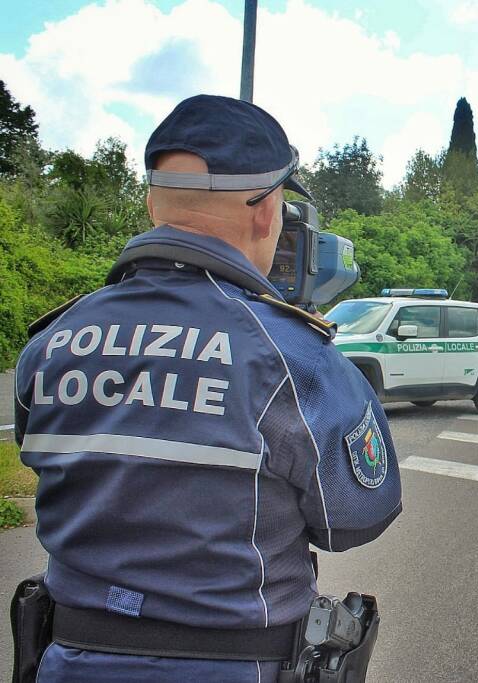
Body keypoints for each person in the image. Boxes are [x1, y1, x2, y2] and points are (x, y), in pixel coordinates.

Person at [14, 95, 402, 681]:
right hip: (240, 665)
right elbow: (357, 517)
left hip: (68, 661)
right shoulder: (295, 357)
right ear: (268, 212)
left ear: (151, 204)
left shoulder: (51, 342)